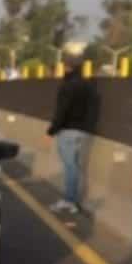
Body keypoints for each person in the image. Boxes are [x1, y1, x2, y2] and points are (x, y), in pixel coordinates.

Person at [47, 54, 95, 214]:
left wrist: (52, 129)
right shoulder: (87, 85)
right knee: (75, 166)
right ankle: (72, 199)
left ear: (68, 67)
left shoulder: (67, 85)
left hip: (67, 131)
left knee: (70, 167)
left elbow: (62, 110)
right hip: (82, 131)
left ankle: (69, 201)